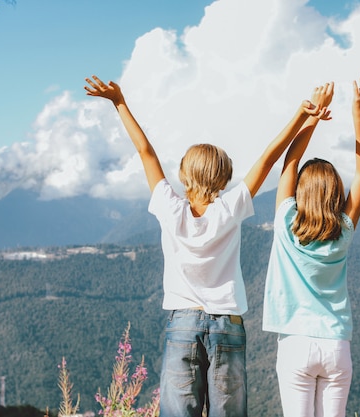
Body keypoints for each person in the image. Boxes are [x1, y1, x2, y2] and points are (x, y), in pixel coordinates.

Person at [84, 75, 332, 417]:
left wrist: (119, 102)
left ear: (184, 175)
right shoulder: (231, 209)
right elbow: (269, 159)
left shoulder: (169, 208)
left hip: (182, 324)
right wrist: (303, 117)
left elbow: (145, 151)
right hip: (227, 324)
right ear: (225, 177)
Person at [262, 78, 360, 417]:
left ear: (300, 192)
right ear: (336, 194)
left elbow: (289, 164)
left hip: (295, 343)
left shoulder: (285, 222)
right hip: (337, 345)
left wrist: (312, 116)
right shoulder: (344, 230)